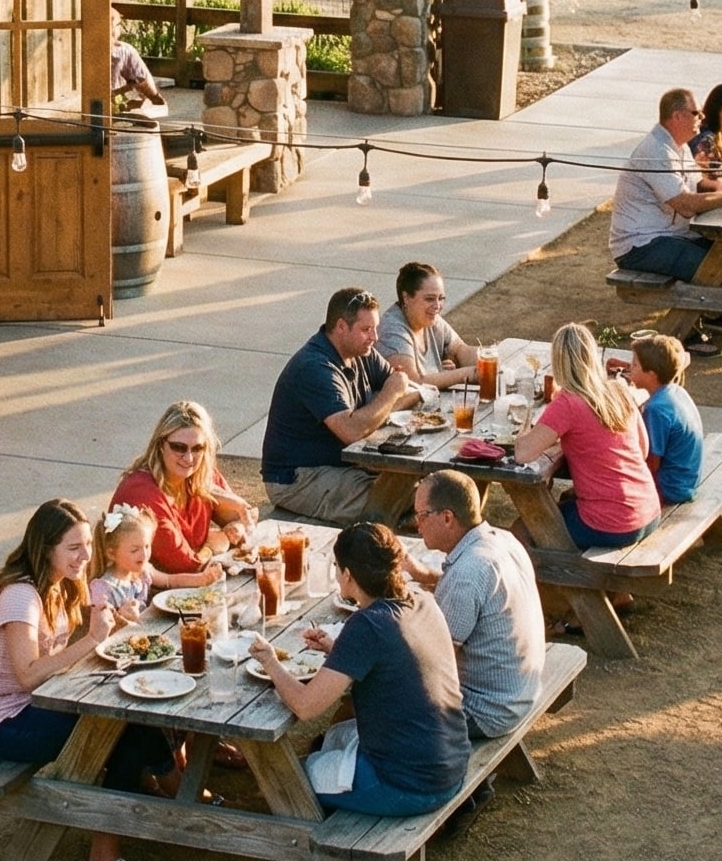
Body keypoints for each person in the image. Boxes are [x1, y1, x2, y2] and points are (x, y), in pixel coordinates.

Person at [0, 499, 178, 861]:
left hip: (39, 703)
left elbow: (60, 657)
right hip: (2, 723)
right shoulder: (19, 596)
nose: (85, 556)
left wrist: (112, 630)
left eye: (87, 545)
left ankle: (173, 791)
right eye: (73, 547)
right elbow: (28, 675)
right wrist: (94, 640)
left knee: (132, 712)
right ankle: (132, 833)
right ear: (45, 548)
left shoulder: (56, 584)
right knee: (121, 730)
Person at [252, 523, 468, 817]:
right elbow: (395, 659)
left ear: (348, 575)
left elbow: (305, 707)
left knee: (289, 778)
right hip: (450, 760)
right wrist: (336, 649)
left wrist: (269, 661)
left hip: (408, 785)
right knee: (335, 738)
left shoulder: (367, 625)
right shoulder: (423, 600)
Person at [407, 468, 545, 738]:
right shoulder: (502, 540)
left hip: (485, 710)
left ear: (447, 518)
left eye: (421, 516)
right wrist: (423, 576)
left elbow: (435, 659)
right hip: (522, 690)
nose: (417, 524)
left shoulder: (467, 573)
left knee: (379, 688)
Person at [261, 288, 419, 524]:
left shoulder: (361, 352)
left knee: (422, 487)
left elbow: (408, 390)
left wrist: (379, 408)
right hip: (297, 477)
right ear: (341, 326)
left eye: (374, 328)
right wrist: (387, 397)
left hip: (344, 464)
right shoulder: (315, 367)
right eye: (366, 330)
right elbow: (352, 431)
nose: (375, 337)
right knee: (397, 500)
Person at [514, 322, 663, 552]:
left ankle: (541, 586)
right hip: (648, 511)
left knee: (522, 529)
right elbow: (642, 451)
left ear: (558, 361)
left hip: (612, 523)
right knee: (563, 503)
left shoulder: (567, 402)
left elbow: (522, 454)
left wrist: (523, 427)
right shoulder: (619, 390)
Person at [110, 400, 255, 587]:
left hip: (186, 586)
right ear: (160, 445)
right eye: (178, 447)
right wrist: (216, 543)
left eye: (197, 448)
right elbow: (187, 565)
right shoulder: (143, 493)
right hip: (140, 595)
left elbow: (246, 524)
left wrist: (231, 502)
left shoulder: (199, 473)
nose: (188, 458)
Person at [609, 87, 722, 284]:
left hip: (673, 236)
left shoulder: (680, 145)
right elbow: (686, 205)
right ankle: (718, 314)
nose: (702, 117)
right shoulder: (656, 150)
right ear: (677, 116)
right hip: (641, 245)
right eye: (696, 113)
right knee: (719, 270)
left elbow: (698, 185)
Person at [623, 332, 705, 506]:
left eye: (635, 365)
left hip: (670, 488)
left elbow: (650, 463)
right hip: (687, 481)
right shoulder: (675, 391)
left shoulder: (656, 410)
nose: (630, 368)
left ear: (651, 374)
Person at [378, 261, 479, 388]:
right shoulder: (391, 330)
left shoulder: (430, 319)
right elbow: (413, 383)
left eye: (441, 298)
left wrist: (488, 360)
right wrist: (469, 374)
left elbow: (461, 350)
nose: (437, 306)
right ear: (406, 298)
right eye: (430, 299)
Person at [88, 505, 155, 625]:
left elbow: (170, 580)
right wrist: (121, 616)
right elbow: (99, 628)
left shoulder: (141, 573)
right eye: (135, 550)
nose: (144, 555)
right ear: (111, 554)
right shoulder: (102, 588)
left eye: (147, 546)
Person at [110, 17, 163, 112]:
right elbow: (141, 80)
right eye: (118, 25)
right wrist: (155, 98)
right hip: (110, 105)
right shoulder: (122, 51)